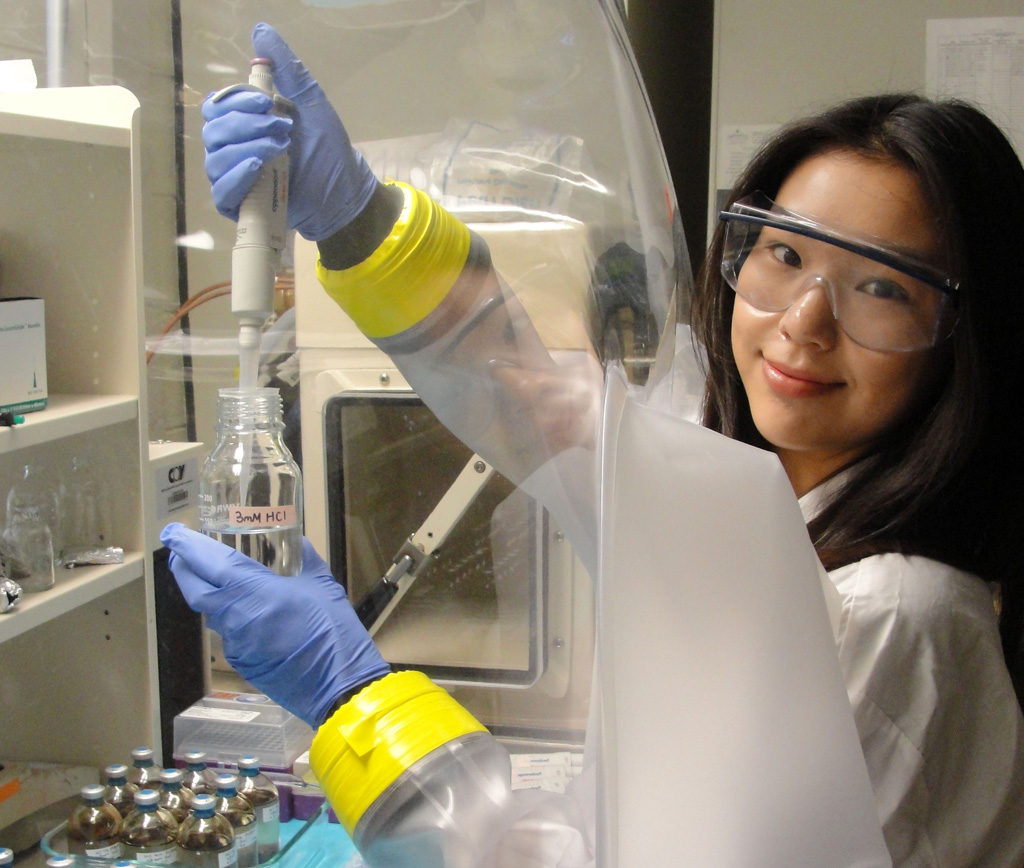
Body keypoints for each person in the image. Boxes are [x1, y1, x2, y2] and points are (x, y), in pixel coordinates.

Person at [163, 22, 1024, 868]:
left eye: (880, 287)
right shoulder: (751, 502)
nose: (802, 323)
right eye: (784, 254)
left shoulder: (892, 618)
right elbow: (528, 401)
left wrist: (356, 704)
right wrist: (357, 219)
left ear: (967, 334)